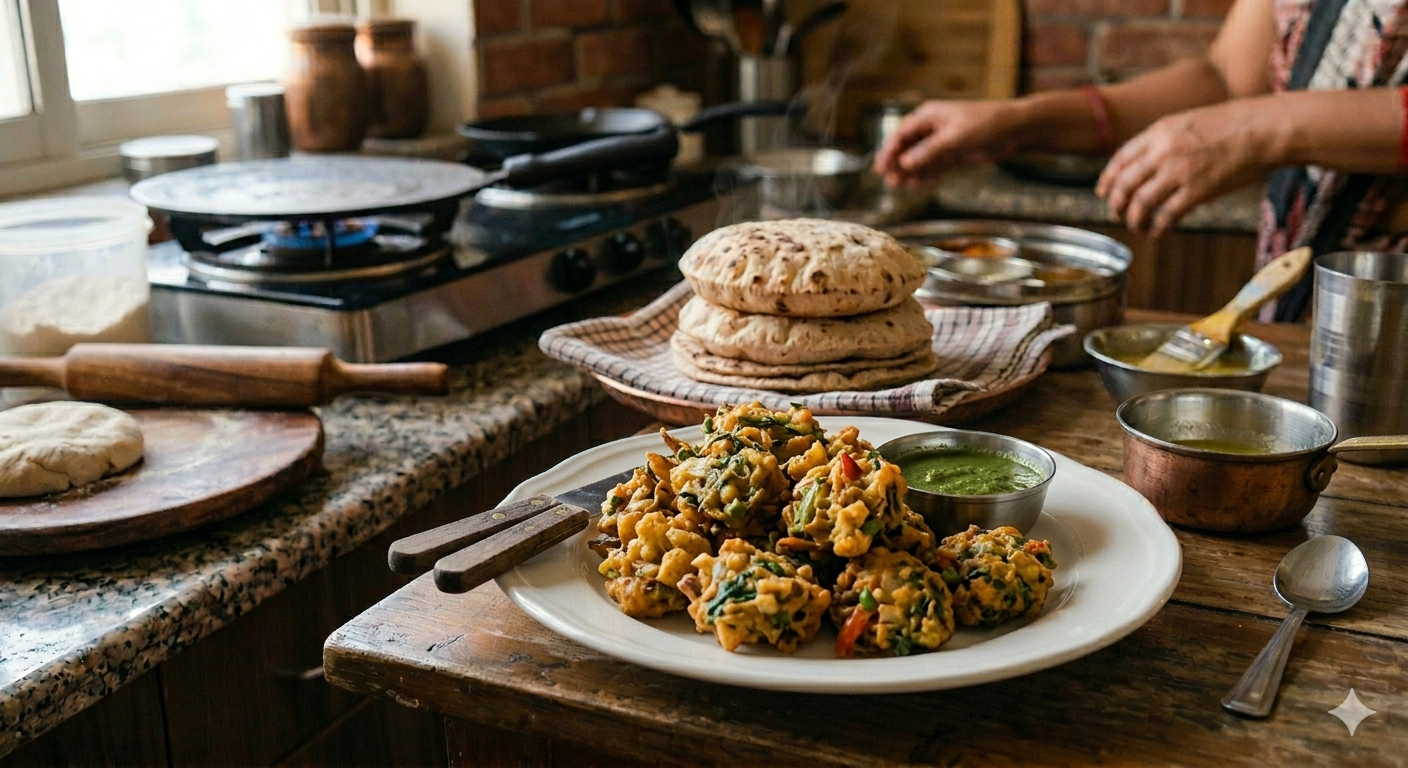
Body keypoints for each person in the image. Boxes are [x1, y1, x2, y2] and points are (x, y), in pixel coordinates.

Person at [873, 0, 1408, 320]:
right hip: (1306, 307)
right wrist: (1023, 121)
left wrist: (1261, 126)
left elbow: (1247, 109)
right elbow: (1225, 79)